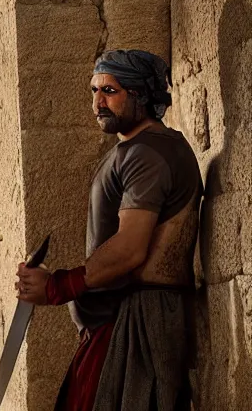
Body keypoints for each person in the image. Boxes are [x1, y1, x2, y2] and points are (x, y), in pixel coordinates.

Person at [16, 49, 202, 411]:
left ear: (140, 96)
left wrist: (57, 287)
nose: (98, 102)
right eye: (94, 90)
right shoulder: (135, 150)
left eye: (110, 91)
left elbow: (131, 248)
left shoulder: (147, 153)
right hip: (115, 327)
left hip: (137, 327)